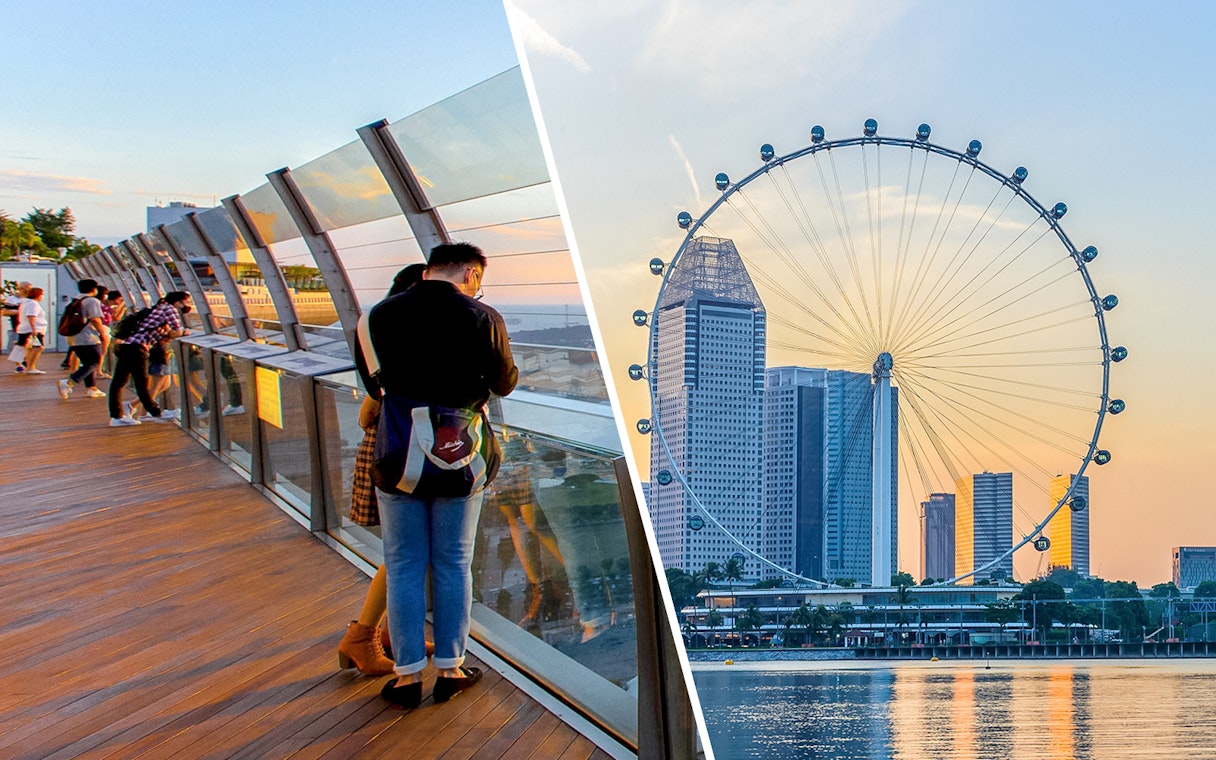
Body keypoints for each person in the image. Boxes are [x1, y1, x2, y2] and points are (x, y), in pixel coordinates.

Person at [369, 243, 517, 708]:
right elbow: (504, 381)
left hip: (400, 456)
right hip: (460, 456)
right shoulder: (483, 316)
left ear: (430, 269)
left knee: (404, 564)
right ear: (472, 274)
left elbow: (373, 382)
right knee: (454, 563)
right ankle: (451, 668)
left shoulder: (379, 315)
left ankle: (407, 676)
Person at [338, 263, 427, 677]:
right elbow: (372, 406)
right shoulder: (392, 335)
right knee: (404, 552)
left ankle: (395, 632)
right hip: (400, 453)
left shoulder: (377, 329)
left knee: (409, 550)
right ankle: (363, 635)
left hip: (392, 449)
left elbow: (367, 411)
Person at [108, 291, 190, 426]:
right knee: (141, 382)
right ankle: (157, 412)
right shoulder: (169, 309)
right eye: (186, 302)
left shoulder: (158, 307)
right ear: (178, 302)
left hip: (126, 345)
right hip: (137, 348)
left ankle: (116, 416)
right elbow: (177, 331)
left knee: (119, 381)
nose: (187, 305)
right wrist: (183, 333)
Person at [58, 279, 110, 400]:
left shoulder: (76, 300)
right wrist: (102, 333)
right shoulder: (92, 301)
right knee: (94, 361)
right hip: (87, 336)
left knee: (88, 362)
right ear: (93, 289)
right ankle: (69, 382)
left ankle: (91, 388)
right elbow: (96, 318)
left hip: (74, 336)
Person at [13, 286, 48, 374]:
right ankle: (31, 367)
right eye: (41, 294)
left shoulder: (25, 303)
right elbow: (31, 316)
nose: (42, 296)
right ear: (38, 295)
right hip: (32, 329)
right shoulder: (33, 304)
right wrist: (34, 329)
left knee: (26, 347)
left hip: (24, 328)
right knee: (38, 347)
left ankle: (23, 365)